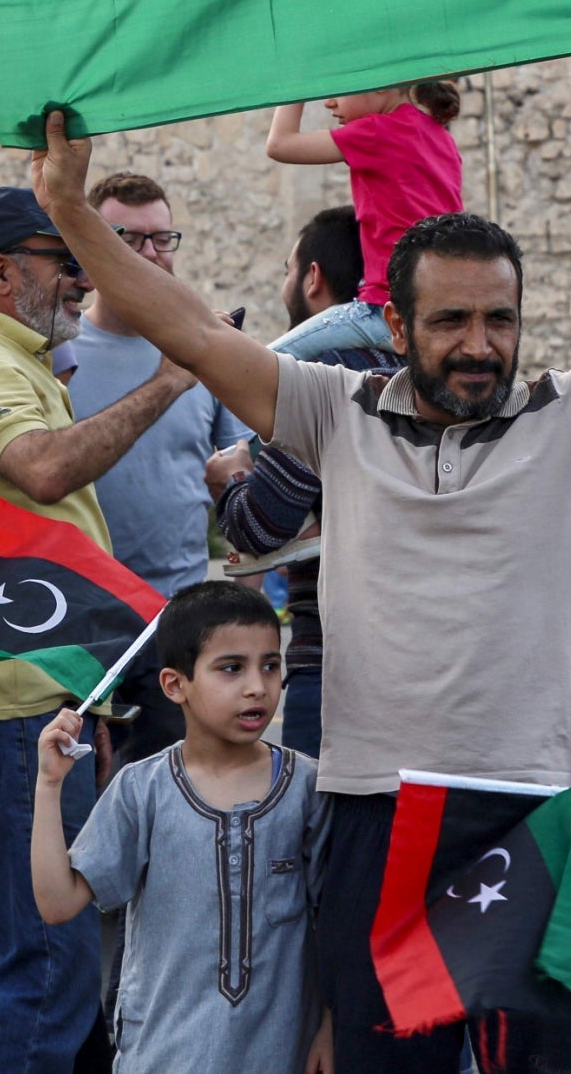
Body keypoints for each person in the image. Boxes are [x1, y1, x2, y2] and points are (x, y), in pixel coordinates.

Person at [24, 104, 571, 1074]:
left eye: (499, 318)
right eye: (452, 320)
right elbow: (181, 321)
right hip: (378, 813)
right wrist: (70, 210)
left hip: (534, 812)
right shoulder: (331, 406)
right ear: (394, 324)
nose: (480, 343)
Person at [0, 185, 205, 1074]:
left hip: (10, 700)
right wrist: (168, 381)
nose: (79, 277)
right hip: (11, 706)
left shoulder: (3, 361)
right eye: (60, 257)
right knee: (44, 969)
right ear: (1, 272)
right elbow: (40, 469)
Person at [30, 580, 329, 1073]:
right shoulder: (142, 790)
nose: (257, 686)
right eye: (231, 668)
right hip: (163, 1055)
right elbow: (58, 903)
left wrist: (332, 1026)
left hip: (282, 1054)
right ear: (175, 685)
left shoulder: (309, 788)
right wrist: (47, 786)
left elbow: (337, 921)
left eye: (270, 665)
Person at [64, 172, 250, 760]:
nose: (149, 255)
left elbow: (240, 469)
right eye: (127, 239)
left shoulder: (205, 349)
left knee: (170, 798)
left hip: (174, 619)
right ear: (92, 250)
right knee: (77, 810)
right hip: (74, 618)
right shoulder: (54, 356)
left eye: (162, 239)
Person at [210, 207, 393, 757]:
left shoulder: (321, 377)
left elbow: (265, 525)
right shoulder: (420, 373)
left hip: (337, 665)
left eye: (289, 269)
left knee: (327, 836)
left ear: (312, 277)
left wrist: (233, 478)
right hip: (424, 659)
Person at [263, 81, 463, 360]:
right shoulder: (441, 137)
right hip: (435, 313)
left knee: (264, 362)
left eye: (340, 87)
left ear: (380, 84)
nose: (328, 102)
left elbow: (279, 144)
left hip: (384, 313)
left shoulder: (377, 131)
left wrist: (298, 79)